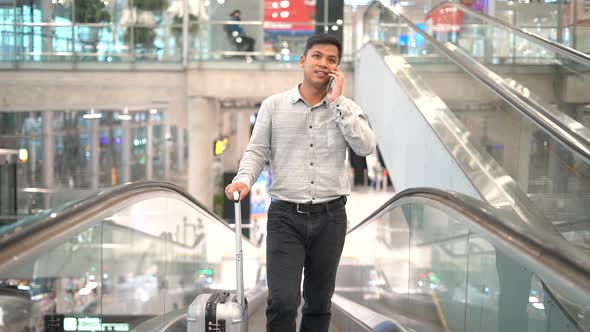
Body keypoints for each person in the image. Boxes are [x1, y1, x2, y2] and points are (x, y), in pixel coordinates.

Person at [224, 34, 376, 332]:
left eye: (331, 59)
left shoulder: (347, 108)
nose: (323, 63)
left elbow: (366, 146)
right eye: (317, 56)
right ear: (303, 60)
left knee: (319, 303)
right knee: (282, 301)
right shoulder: (273, 106)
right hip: (285, 217)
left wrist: (337, 105)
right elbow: (257, 151)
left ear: (337, 68)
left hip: (331, 217)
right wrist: (243, 180)